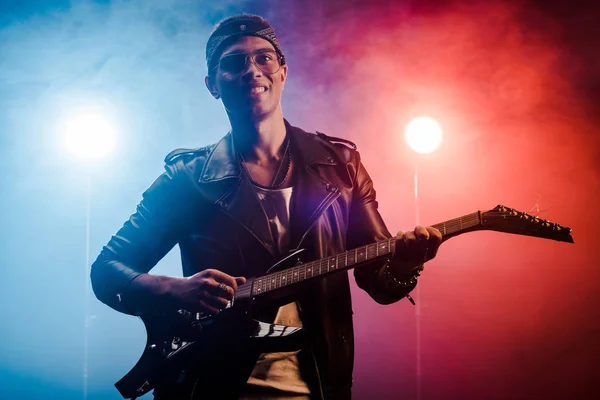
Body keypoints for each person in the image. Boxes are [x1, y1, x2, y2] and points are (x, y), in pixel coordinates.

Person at [91, 14, 442, 400]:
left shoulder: (340, 166)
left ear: (283, 72)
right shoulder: (187, 179)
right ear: (212, 85)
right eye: (234, 62)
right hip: (209, 386)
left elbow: (380, 281)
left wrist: (407, 265)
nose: (252, 70)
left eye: (264, 58)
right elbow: (106, 271)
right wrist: (176, 290)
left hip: (320, 386)